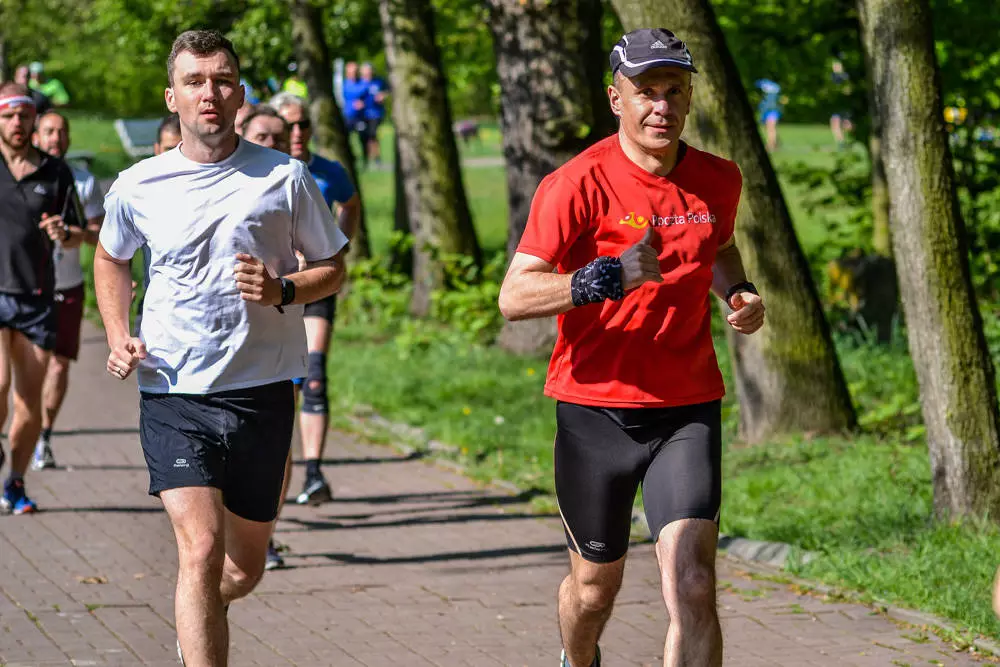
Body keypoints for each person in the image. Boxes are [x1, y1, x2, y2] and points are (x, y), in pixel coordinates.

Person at [497, 28, 766, 667]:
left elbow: (718, 246)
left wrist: (740, 292)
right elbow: (514, 297)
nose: (661, 107)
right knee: (594, 591)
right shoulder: (575, 183)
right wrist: (604, 276)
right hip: (596, 409)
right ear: (616, 98)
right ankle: (579, 658)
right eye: (646, 92)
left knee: (694, 584)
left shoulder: (717, 179)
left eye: (674, 91)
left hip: (686, 405)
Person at [92, 31, 347, 665]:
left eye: (222, 79)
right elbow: (109, 257)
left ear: (239, 93)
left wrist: (283, 288)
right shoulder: (138, 185)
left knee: (242, 571)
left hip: (262, 392)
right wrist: (118, 331)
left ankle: (203, 611)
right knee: (199, 551)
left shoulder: (283, 177)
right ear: (172, 96)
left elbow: (334, 266)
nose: (210, 92)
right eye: (195, 81)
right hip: (174, 389)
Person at [269, 91, 360, 569]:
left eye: (303, 125)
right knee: (284, 385)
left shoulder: (326, 170)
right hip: (273, 294)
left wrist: (334, 249)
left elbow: (351, 202)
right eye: (290, 126)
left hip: (315, 288)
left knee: (315, 374)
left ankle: (313, 472)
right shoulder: (264, 172)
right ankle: (270, 498)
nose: (298, 134)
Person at [0, 83, 85, 514]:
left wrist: (64, 234)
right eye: (9, 115)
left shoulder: (56, 173)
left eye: (24, 116)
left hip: (36, 298)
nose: (17, 123)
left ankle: (14, 483)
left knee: (27, 402)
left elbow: (79, 233)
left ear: (33, 120)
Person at [30, 111, 106, 470]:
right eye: (48, 131)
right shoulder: (18, 177)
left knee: (58, 366)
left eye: (61, 132)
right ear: (35, 136)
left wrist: (71, 235)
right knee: (22, 367)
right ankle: (20, 430)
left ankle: (43, 437)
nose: (55, 138)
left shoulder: (84, 181)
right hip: (24, 287)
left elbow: (97, 235)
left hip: (67, 286)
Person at [340, 62, 370, 166]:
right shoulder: (344, 84)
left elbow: (370, 99)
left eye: (354, 72)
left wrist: (364, 103)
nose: (352, 74)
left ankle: (366, 160)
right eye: (350, 72)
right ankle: (350, 157)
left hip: (361, 117)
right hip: (348, 116)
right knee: (346, 138)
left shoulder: (364, 84)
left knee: (363, 138)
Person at [359, 62, 387, 167]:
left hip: (376, 113)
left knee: (372, 135)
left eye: (370, 71)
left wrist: (383, 96)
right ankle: (366, 158)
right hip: (362, 115)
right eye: (366, 72)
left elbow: (387, 91)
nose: (368, 74)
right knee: (364, 137)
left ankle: (376, 158)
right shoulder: (360, 83)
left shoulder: (379, 82)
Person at [829, 59, 854, 148]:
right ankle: (841, 143)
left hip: (845, 105)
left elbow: (848, 90)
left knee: (848, 125)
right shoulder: (832, 77)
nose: (835, 67)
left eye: (837, 65)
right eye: (834, 65)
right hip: (837, 105)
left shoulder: (845, 77)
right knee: (834, 123)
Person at [755, 78, 782, 152]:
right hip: (770, 111)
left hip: (771, 111)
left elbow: (769, 105)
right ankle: (775, 144)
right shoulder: (774, 89)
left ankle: (771, 145)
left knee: (771, 128)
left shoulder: (771, 90)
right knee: (770, 128)